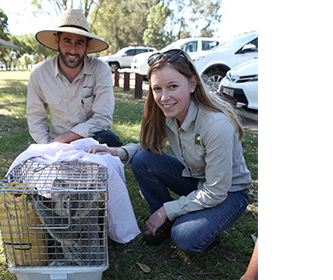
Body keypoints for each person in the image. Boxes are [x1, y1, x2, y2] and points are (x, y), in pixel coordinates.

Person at [86, 49, 252, 252]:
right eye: (157, 89)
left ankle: (188, 223)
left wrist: (167, 209)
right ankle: (169, 222)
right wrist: (118, 152)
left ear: (192, 84)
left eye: (173, 86)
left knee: (185, 238)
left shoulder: (216, 125)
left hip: (228, 192)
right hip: (196, 178)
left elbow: (216, 191)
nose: (164, 97)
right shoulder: (169, 112)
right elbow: (147, 147)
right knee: (142, 160)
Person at [26, 8, 122, 147]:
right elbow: (35, 116)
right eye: (67, 41)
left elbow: (103, 118)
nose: (72, 50)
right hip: (56, 142)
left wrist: (65, 139)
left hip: (90, 140)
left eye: (79, 42)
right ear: (57, 40)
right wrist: (46, 147)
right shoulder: (40, 73)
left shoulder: (101, 70)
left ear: (87, 45)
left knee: (110, 140)